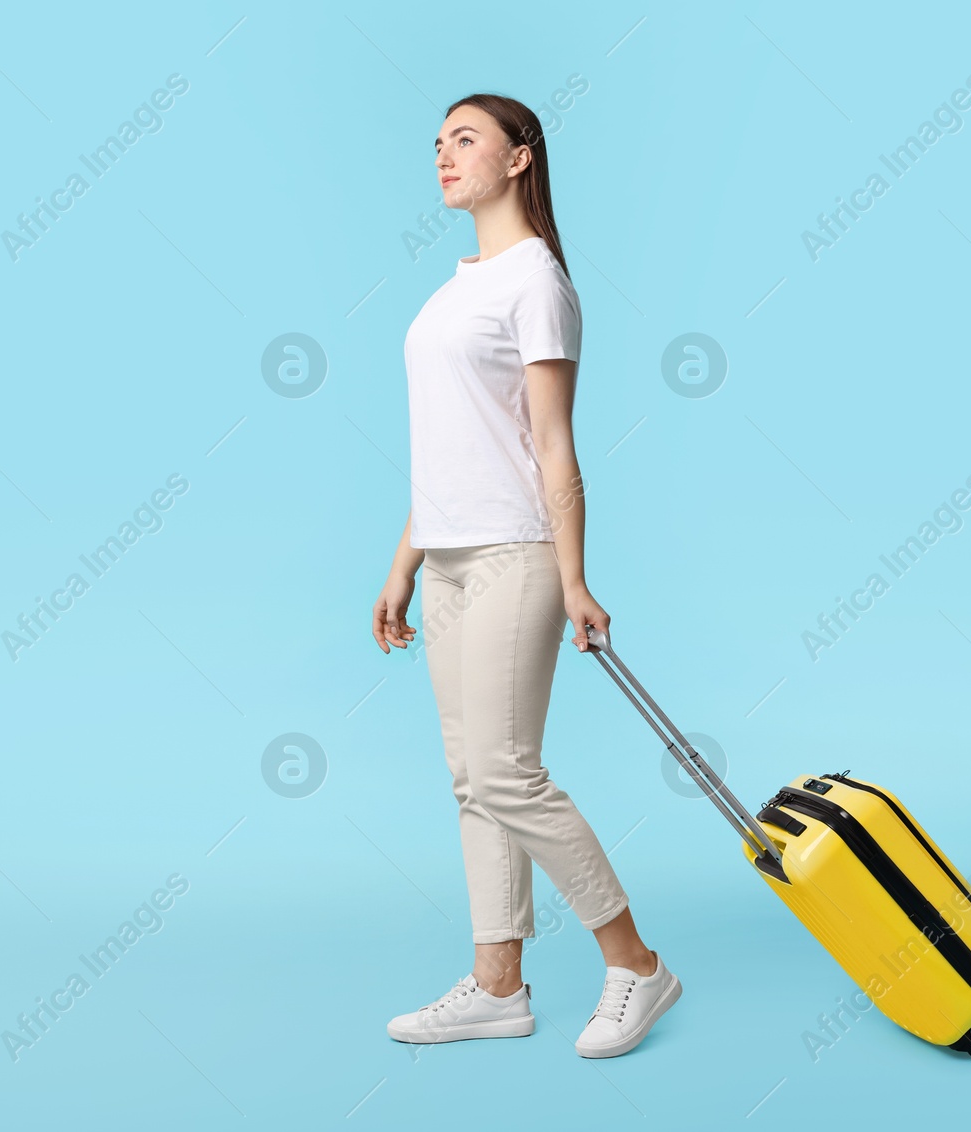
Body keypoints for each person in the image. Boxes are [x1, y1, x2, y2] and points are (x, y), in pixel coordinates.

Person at [371, 93, 680, 1059]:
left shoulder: (535, 280)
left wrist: (576, 577)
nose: (443, 156)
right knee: (474, 781)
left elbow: (551, 444)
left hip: (517, 554)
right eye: (436, 144)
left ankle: (636, 964)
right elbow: (453, 449)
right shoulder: (451, 288)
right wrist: (403, 564)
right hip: (452, 557)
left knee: (509, 772)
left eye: (465, 139)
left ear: (519, 158)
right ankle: (499, 986)